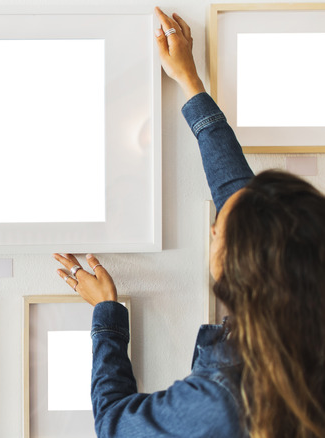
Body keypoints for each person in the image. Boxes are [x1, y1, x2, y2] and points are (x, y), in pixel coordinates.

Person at [53, 7, 325, 438]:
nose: (213, 228)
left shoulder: (225, 397)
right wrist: (190, 84)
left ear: (235, 271)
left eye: (219, 231)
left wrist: (107, 314)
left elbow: (116, 426)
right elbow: (236, 191)